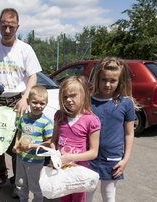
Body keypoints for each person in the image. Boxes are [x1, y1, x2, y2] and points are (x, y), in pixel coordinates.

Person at [0, 8, 42, 195]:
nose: (7, 30)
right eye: (3, 25)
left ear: (17, 27)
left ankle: (17, 182)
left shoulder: (25, 49)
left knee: (16, 143)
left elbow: (33, 76)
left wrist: (25, 98)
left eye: (11, 26)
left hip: (17, 100)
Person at [86, 57, 136, 202]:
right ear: (97, 79)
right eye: (104, 79)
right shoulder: (88, 101)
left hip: (112, 159)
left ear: (120, 81)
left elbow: (129, 134)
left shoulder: (126, 103)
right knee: (87, 194)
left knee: (108, 195)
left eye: (113, 81)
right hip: (89, 157)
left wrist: (125, 160)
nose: (107, 84)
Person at [50, 76, 101, 202]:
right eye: (65, 97)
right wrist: (53, 156)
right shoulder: (59, 115)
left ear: (84, 95)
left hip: (79, 173)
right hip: (62, 170)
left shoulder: (91, 120)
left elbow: (94, 152)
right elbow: (54, 141)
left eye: (73, 95)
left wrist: (70, 158)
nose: (68, 100)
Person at [11, 85, 53, 202]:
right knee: (20, 184)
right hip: (21, 158)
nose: (38, 106)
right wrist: (16, 145)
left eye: (42, 103)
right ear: (28, 101)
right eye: (35, 102)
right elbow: (19, 132)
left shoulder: (46, 122)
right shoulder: (23, 118)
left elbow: (50, 142)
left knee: (36, 187)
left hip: (35, 161)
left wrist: (31, 146)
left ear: (46, 104)